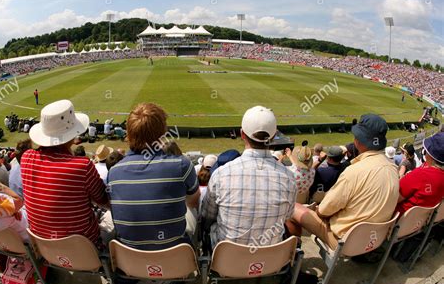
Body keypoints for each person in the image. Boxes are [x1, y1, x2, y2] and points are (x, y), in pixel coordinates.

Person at [289, 114, 399, 249]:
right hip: (374, 239)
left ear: (358, 141)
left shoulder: (354, 171)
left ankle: (291, 256)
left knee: (291, 208)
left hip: (346, 242)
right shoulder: (393, 168)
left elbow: (324, 210)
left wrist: (317, 212)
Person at [108, 103, 200, 250]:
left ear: (129, 134)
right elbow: (193, 202)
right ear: (163, 134)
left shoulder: (114, 172)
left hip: (131, 261)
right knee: (191, 210)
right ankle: (194, 252)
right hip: (174, 258)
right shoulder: (181, 164)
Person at [202, 106, 297, 247]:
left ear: (242, 134)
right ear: (273, 136)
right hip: (270, 259)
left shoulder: (222, 174)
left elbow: (208, 216)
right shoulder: (289, 177)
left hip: (227, 261)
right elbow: (287, 216)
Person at [20, 100, 110, 244]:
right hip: (84, 247)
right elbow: (103, 199)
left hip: (45, 246)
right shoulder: (82, 166)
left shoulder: (27, 158)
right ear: (73, 136)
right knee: (113, 223)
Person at [395, 132, 444, 215]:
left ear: (430, 155)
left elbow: (394, 197)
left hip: (399, 222)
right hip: (422, 221)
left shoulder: (420, 175)